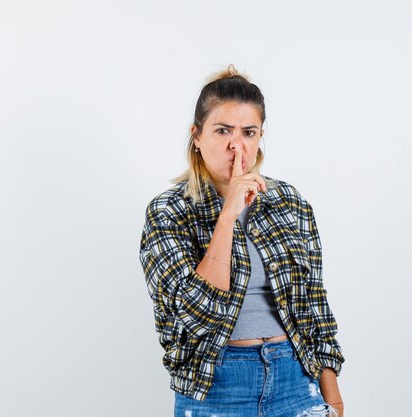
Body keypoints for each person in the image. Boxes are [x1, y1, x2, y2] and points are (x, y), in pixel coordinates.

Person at [139, 64, 345, 417]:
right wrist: (228, 214)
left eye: (249, 132)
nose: (237, 145)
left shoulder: (288, 202)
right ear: (197, 136)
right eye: (222, 131)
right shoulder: (168, 211)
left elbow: (315, 309)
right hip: (217, 387)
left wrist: (335, 402)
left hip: (295, 381)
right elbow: (197, 315)